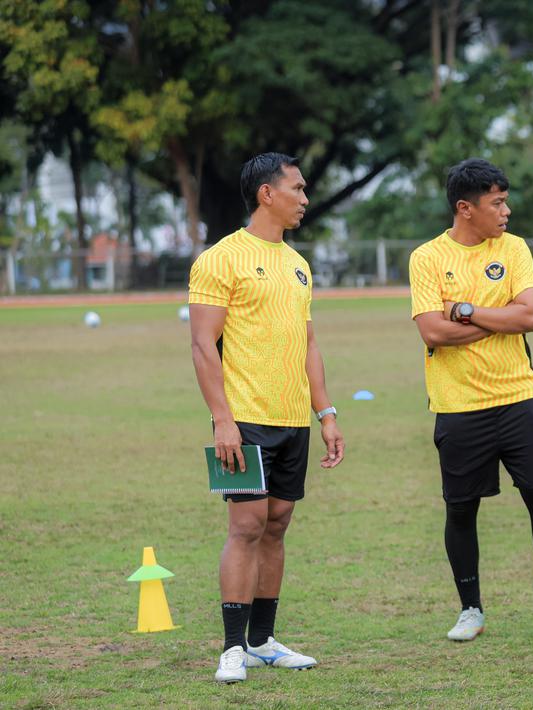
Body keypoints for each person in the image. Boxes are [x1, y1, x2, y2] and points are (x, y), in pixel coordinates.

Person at [188, 152, 346, 684]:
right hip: (243, 419)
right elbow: (203, 345)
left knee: (276, 526)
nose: (305, 198)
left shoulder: (298, 264)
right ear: (267, 194)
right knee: (246, 526)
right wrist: (222, 419)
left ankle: (261, 641)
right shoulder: (220, 259)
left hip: (292, 420)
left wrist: (325, 413)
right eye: (297, 189)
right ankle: (232, 648)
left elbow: (308, 343)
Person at [408, 158, 533, 642]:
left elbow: (531, 318)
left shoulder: (514, 248)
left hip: (519, 396)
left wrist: (463, 311)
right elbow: (432, 331)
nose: (506, 211)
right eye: (497, 203)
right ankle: (471, 610)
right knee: (461, 509)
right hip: (458, 404)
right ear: (466, 208)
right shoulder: (426, 258)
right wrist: (498, 317)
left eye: (506, 201)